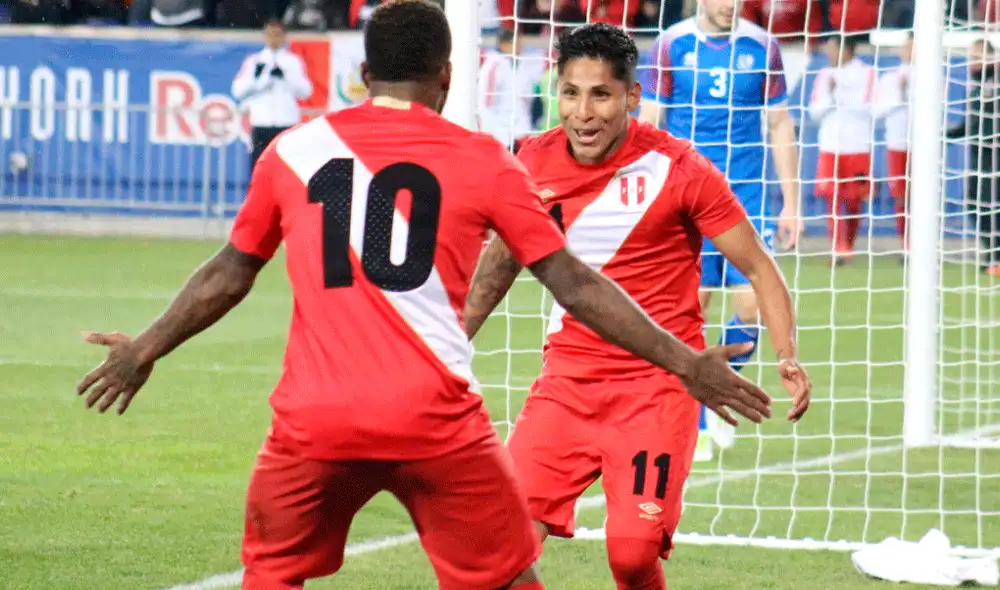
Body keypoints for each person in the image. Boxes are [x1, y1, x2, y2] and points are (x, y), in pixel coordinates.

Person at [74, 3, 774, 590]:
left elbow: (229, 272)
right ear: (447, 75)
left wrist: (146, 347)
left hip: (314, 422)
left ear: (360, 74)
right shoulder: (484, 160)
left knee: (271, 573)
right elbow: (574, 282)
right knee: (506, 576)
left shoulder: (292, 150)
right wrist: (686, 362)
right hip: (433, 421)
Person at [464, 23, 811, 590]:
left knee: (631, 555)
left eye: (600, 94)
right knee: (500, 546)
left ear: (632, 96)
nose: (582, 112)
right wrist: (452, 342)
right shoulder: (529, 162)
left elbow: (759, 268)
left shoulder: (680, 169)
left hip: (658, 388)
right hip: (567, 382)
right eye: (570, 93)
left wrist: (787, 354)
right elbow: (497, 266)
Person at [636, 0, 803, 459]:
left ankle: (713, 401)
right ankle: (693, 417)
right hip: (686, 194)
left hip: (746, 195)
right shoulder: (672, 44)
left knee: (752, 303)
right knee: (692, 310)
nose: (731, 5)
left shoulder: (763, 46)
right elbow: (651, 119)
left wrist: (792, 202)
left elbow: (779, 123)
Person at [807, 32, 876, 266]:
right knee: (832, 197)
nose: (828, 53)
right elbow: (814, 112)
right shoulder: (824, 75)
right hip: (830, 146)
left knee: (855, 200)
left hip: (857, 145)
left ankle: (849, 243)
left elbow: (871, 109)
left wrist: (841, 94)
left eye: (832, 49)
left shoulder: (867, 73)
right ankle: (839, 248)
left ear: (846, 50)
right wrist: (832, 95)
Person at [947, 38, 1000, 276]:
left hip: (995, 155)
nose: (973, 61)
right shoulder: (976, 86)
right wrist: (947, 134)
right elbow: (972, 123)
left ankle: (996, 258)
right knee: (974, 203)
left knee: (993, 205)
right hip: (979, 156)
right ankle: (992, 256)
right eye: (971, 56)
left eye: (978, 56)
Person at [231, 18, 313, 174]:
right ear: (265, 36)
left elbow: (306, 91)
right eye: (270, 34)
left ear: (284, 37)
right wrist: (258, 81)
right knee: (259, 170)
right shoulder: (255, 61)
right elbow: (237, 91)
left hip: (286, 123)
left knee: (287, 169)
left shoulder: (293, 61)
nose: (274, 39)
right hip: (262, 123)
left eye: (277, 34)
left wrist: (287, 77)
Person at [874, 31, 913, 253]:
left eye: (912, 46)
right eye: (906, 46)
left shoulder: (933, 76)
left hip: (923, 147)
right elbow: (877, 111)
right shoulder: (890, 77)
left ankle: (924, 245)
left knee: (922, 196)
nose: (908, 51)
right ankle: (906, 245)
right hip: (897, 144)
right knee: (901, 197)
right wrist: (900, 95)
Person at [478, 27, 533, 151]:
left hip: (520, 132)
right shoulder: (493, 66)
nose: (520, 47)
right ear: (504, 45)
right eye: (516, 43)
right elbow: (485, 102)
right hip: (499, 134)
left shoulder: (522, 65)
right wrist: (489, 132)